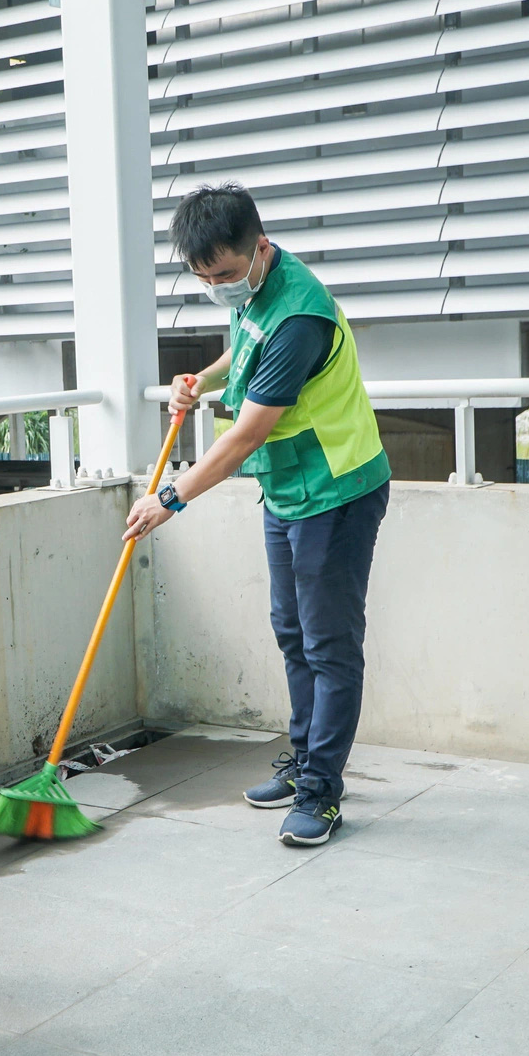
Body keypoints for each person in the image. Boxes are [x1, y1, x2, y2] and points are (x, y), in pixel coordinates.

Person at [123, 183, 390, 847]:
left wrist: (169, 498)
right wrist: (205, 379)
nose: (216, 286)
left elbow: (243, 437)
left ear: (260, 249)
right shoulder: (257, 291)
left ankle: (323, 791)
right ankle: (305, 764)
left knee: (330, 645)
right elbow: (245, 349)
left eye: (224, 274)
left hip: (338, 489)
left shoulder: (300, 314)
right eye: (202, 275)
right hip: (289, 487)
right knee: (291, 630)